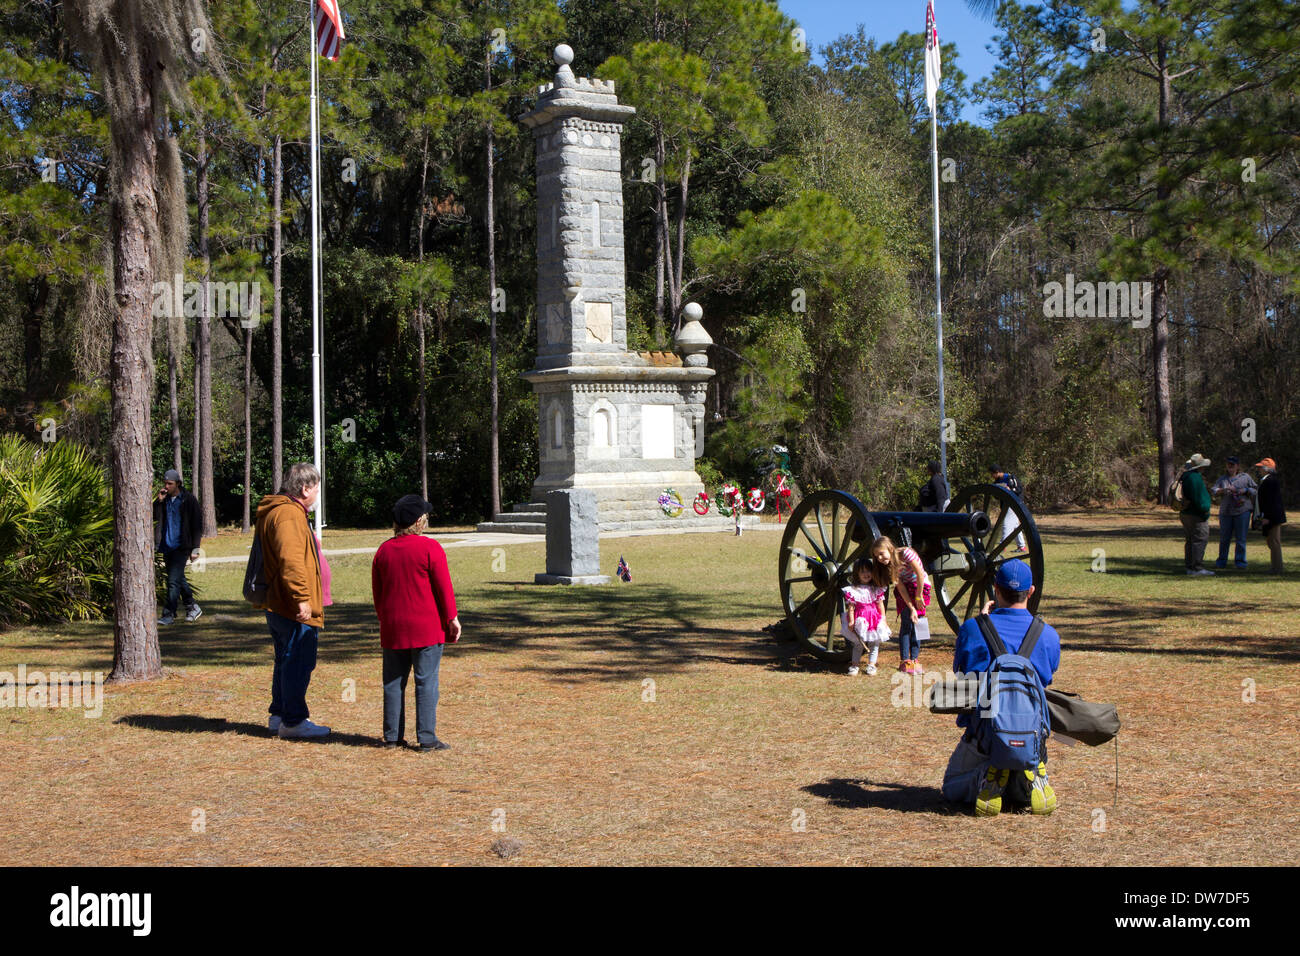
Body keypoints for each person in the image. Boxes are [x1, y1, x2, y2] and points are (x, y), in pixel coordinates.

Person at [942, 559, 1061, 816]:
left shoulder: (973, 629)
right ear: (1031, 592)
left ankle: (986, 776)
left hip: (983, 737)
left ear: (995, 590)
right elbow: (1046, 680)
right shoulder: (1048, 635)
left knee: (951, 786)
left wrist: (983, 623)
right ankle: (1027, 777)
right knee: (1019, 796)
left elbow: (962, 673)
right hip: (1030, 737)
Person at [372, 495, 461, 751]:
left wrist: (384, 618)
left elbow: (379, 592)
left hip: (393, 627)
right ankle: (427, 738)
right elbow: (444, 589)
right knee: (426, 681)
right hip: (426, 627)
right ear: (419, 521)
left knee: (393, 682)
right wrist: (452, 618)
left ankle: (392, 736)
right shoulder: (430, 548)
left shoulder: (384, 550)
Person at [255, 463, 329, 740]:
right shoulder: (288, 515)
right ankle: (294, 721)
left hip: (280, 602)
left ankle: (280, 715)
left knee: (286, 659)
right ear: (305, 488)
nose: (318, 494)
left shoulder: (284, 511)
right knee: (297, 660)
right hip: (290, 604)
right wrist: (302, 599)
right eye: (317, 488)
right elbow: (291, 560)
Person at [871, 536, 931, 675]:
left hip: (920, 587)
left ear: (890, 549)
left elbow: (920, 574)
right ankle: (905, 661)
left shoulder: (906, 554)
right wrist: (911, 608)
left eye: (881, 553)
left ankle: (915, 659)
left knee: (919, 624)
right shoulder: (889, 566)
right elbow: (901, 586)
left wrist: (918, 596)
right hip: (906, 592)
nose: (880, 558)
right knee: (906, 624)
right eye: (877, 556)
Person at [152, 468, 203, 625]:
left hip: (182, 546)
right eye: (165, 483)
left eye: (170, 483)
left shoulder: (188, 500)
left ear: (178, 484)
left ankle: (169, 614)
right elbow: (154, 518)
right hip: (167, 545)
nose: (166, 486)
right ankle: (192, 606)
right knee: (178, 579)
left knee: (173, 582)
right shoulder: (164, 499)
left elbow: (197, 526)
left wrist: (195, 549)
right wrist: (158, 501)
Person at [841, 556, 890, 677]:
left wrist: (883, 619)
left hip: (874, 620)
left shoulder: (876, 589)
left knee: (874, 643)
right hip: (860, 621)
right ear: (857, 574)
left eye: (869, 571)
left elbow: (880, 605)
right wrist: (851, 621)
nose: (866, 574)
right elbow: (851, 607)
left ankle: (872, 664)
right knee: (858, 644)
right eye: (862, 571)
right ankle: (854, 665)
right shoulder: (853, 590)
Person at [1210, 456, 1257, 569]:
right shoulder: (1222, 479)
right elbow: (1214, 490)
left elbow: (1255, 489)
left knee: (1241, 539)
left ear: (1237, 466)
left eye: (1232, 464)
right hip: (1226, 512)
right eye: (1228, 464)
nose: (1230, 467)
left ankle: (1240, 562)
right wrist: (1222, 490)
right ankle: (1221, 562)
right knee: (1224, 538)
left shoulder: (1245, 477)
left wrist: (1245, 490)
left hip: (1242, 511)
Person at [1179, 453, 1214, 576]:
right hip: (1196, 514)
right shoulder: (1195, 478)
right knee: (1200, 539)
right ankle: (1197, 567)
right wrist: (1205, 510)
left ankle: (1190, 566)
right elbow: (1199, 499)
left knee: (1190, 540)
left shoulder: (1185, 476)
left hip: (1186, 512)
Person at [1255, 458, 1287, 574]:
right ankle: (1275, 567)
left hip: (1273, 516)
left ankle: (1277, 568)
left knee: (1274, 542)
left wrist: (1267, 517)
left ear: (1266, 469)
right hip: (1271, 516)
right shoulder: (1266, 480)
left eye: (1261, 467)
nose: (1259, 470)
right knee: (1271, 541)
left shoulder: (1271, 481)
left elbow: (1272, 501)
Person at [989, 465, 1028, 552]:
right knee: (1015, 526)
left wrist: (1009, 489)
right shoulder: (997, 482)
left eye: (992, 474)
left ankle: (1002, 546)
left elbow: (1019, 490)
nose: (992, 476)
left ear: (997, 472)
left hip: (1013, 503)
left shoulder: (1010, 477)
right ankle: (1021, 547)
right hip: (1005, 505)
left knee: (1006, 524)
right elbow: (997, 496)